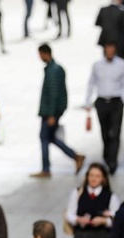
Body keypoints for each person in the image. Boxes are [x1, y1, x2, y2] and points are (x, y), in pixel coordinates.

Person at [32, 43, 86, 179]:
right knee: (50, 138)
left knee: (44, 137)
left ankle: (46, 168)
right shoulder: (55, 69)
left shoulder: (53, 71)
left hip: (51, 112)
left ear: (44, 53)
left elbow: (54, 93)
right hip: (53, 111)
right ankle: (75, 156)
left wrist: (51, 114)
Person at [65, 162, 120, 238]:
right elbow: (69, 213)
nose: (94, 179)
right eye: (91, 175)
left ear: (103, 178)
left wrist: (103, 221)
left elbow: (117, 218)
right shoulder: (78, 192)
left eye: (97, 176)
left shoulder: (110, 196)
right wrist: (78, 219)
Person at [85, 43, 124, 175]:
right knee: (105, 132)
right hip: (101, 101)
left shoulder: (121, 64)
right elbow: (91, 82)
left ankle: (113, 161)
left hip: (116, 101)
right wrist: (88, 101)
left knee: (115, 133)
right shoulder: (97, 65)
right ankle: (106, 155)